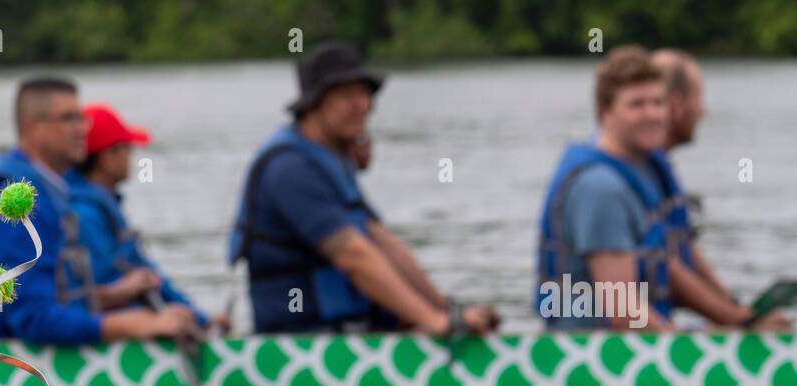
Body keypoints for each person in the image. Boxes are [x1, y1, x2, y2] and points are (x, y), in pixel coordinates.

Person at [230, 40, 497, 336]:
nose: (363, 106)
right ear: (313, 105)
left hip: (349, 334)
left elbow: (382, 242)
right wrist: (435, 323)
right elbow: (353, 256)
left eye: (365, 94)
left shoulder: (330, 161)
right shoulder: (290, 169)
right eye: (347, 96)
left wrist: (444, 310)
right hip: (299, 343)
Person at [536, 45, 786, 332]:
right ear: (605, 112)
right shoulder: (600, 189)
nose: (653, 115)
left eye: (658, 102)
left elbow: (668, 264)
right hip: (591, 354)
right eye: (637, 104)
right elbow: (623, 310)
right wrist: (683, 346)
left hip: (635, 346)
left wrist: (742, 321)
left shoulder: (640, 171)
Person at [0, 76, 196, 345]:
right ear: (32, 127)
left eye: (81, 118)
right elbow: (32, 319)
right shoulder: (17, 200)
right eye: (68, 119)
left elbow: (60, 301)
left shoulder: (48, 190)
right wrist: (127, 325)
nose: (82, 129)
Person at [651, 48, 785, 326]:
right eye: (699, 98)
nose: (703, 110)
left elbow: (686, 250)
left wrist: (737, 311)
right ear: (678, 103)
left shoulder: (662, 171)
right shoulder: (632, 175)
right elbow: (668, 269)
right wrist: (740, 323)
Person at [66, 103, 227, 331]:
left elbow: (150, 276)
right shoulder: (85, 216)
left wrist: (202, 320)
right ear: (107, 156)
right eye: (127, 148)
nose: (132, 156)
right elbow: (101, 288)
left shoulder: (103, 207)